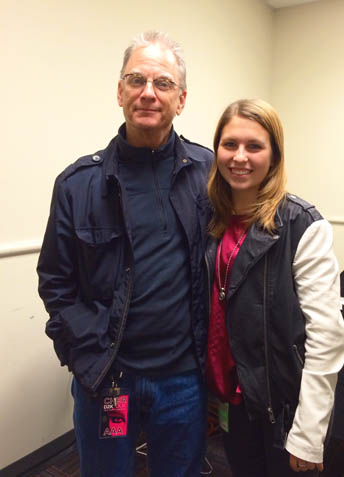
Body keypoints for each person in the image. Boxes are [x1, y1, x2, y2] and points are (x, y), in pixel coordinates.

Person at [37, 31, 213, 477]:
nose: (148, 93)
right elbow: (55, 281)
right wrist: (85, 354)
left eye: (163, 83)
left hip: (183, 384)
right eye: (136, 80)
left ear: (182, 99)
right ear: (120, 91)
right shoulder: (78, 184)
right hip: (111, 383)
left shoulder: (208, 174)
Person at [205, 99, 344, 476]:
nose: (240, 156)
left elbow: (326, 337)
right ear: (216, 149)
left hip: (281, 409)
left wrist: (308, 432)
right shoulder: (211, 219)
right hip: (232, 401)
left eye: (254, 146)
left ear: (274, 155)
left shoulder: (302, 224)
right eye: (230, 144)